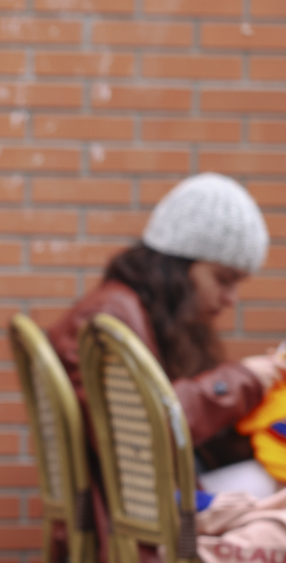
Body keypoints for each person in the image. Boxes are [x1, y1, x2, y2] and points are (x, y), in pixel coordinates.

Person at [48, 172, 286, 500]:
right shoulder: (110, 320)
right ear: (177, 266)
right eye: (223, 279)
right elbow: (142, 432)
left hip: (157, 505)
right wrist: (241, 381)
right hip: (149, 518)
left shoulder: (137, 314)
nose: (232, 298)